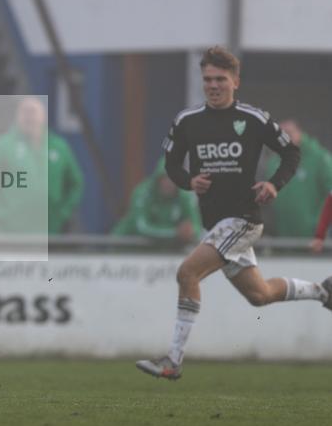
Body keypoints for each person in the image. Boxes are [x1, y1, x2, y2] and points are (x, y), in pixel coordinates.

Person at [136, 46, 330, 381]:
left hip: (243, 220)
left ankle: (173, 360)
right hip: (215, 224)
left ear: (235, 82)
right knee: (259, 295)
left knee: (187, 273)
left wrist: (274, 185)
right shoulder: (187, 121)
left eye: (220, 79)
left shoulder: (253, 119)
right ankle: (323, 291)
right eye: (208, 79)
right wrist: (188, 180)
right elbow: (171, 164)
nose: (213, 85)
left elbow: (291, 152)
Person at [0, 97, 83, 233]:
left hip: (51, 231)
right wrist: (1, 214)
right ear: (17, 116)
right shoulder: (2, 146)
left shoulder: (59, 147)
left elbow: (75, 183)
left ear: (43, 116)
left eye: (33, 111)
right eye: (24, 111)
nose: (29, 116)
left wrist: (63, 212)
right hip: (11, 233)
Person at [265, 120, 332, 237]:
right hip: (281, 239)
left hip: (314, 238)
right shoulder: (273, 162)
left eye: (289, 133)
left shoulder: (320, 158)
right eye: (280, 134)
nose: (285, 138)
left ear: (300, 132)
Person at [111, 159, 201, 243]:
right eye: (165, 178)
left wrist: (190, 231)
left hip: (165, 249)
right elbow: (141, 227)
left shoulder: (185, 195)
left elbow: (196, 226)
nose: (168, 183)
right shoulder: (143, 192)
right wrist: (175, 233)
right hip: (128, 245)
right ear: (158, 178)